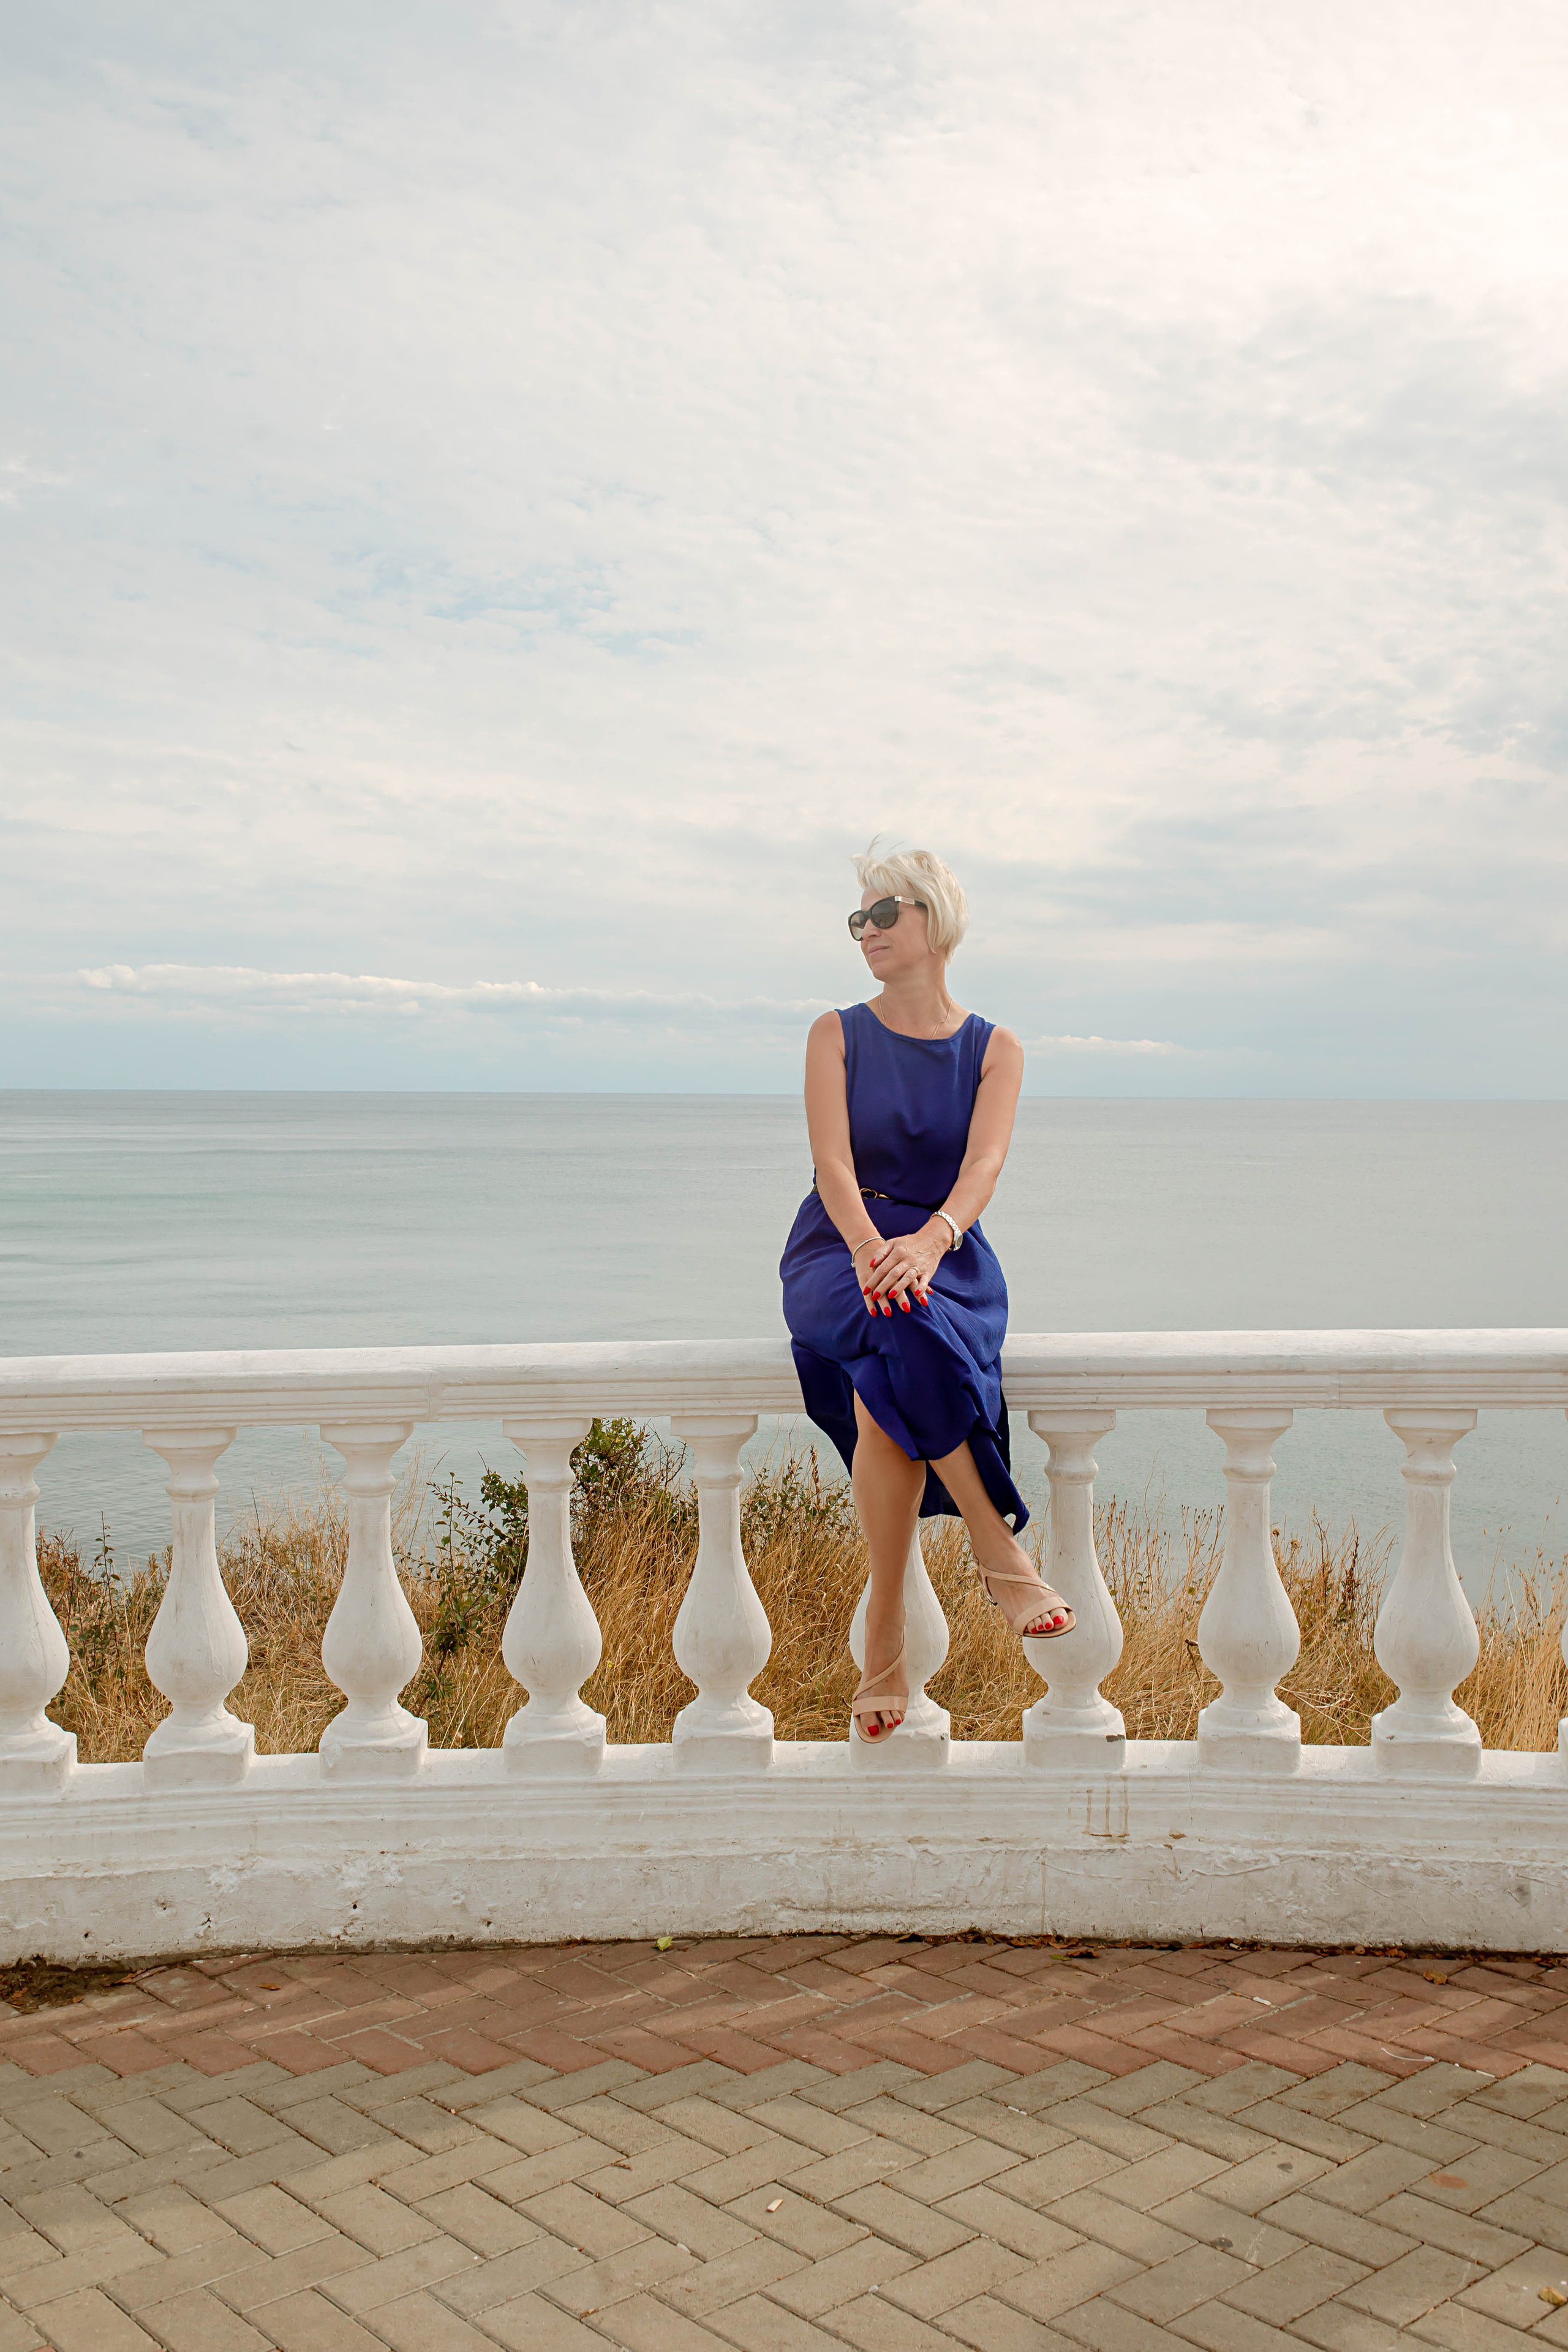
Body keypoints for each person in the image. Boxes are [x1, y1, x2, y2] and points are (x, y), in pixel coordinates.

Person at [780, 843, 1074, 1744]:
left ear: (935, 919)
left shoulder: (995, 1048)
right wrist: (874, 1249)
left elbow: (985, 1164)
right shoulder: (836, 1033)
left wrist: (931, 1242)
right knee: (894, 1313)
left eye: (884, 912)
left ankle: (885, 1629)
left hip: (947, 1255)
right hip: (841, 1247)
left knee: (889, 1381)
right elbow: (832, 1164)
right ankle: (996, 1545)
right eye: (857, 918)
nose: (866, 931)